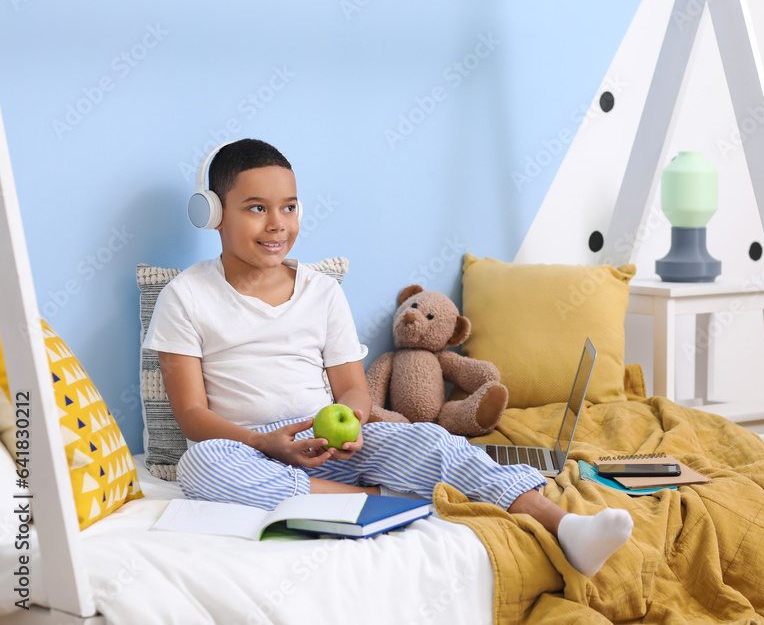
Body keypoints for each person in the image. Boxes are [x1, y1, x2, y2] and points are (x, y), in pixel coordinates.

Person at [143, 138, 632, 577]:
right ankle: (384, 505)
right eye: (256, 208)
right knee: (202, 465)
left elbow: (353, 389)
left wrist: (354, 421)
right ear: (213, 213)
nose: (278, 224)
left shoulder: (321, 292)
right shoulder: (186, 296)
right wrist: (266, 443)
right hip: (246, 449)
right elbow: (192, 417)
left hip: (324, 439)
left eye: (289, 207)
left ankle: (565, 526)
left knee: (429, 440)